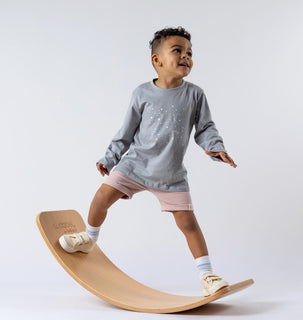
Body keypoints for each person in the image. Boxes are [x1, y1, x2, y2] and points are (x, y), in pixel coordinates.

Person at [59, 26, 237, 297]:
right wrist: (110, 157)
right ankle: (89, 238)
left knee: (188, 225)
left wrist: (216, 148)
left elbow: (206, 128)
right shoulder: (141, 93)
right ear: (157, 60)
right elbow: (126, 132)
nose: (186, 56)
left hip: (171, 174)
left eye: (190, 52)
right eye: (177, 50)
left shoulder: (195, 94)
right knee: (101, 197)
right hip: (135, 165)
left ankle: (207, 275)